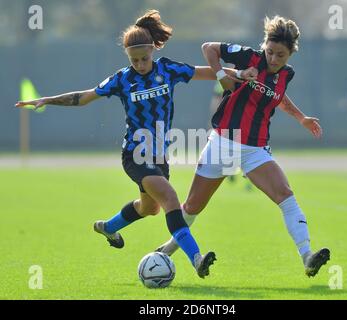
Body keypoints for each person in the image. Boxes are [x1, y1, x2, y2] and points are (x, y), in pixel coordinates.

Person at [15, 10, 244, 278]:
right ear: (127, 57)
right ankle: (196, 258)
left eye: (144, 58)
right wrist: (47, 99)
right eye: (134, 60)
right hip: (135, 154)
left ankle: (109, 227)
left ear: (152, 51)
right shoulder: (122, 79)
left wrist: (241, 73)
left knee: (150, 208)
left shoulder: (168, 69)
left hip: (159, 156)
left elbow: (207, 72)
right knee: (170, 198)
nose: (140, 64)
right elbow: (85, 97)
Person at [156, 15, 331, 278]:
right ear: (264, 46)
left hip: (255, 150)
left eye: (280, 55)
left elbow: (279, 97)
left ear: (290, 54)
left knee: (285, 194)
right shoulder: (249, 57)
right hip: (223, 143)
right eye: (270, 52)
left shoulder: (286, 74)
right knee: (193, 206)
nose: (273, 59)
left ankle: (307, 255)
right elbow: (208, 48)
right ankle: (167, 250)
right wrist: (220, 75)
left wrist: (301, 118)